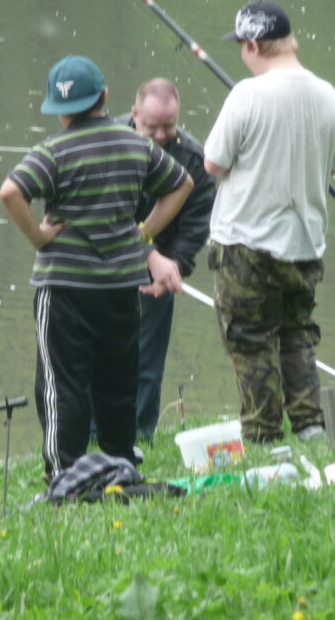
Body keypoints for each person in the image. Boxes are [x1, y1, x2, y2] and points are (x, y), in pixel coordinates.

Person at [0, 55, 193, 480]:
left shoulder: (53, 151)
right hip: (121, 286)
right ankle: (120, 461)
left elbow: (11, 192)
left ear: (58, 110)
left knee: (61, 384)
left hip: (64, 288)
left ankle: (64, 472)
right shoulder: (137, 145)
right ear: (105, 97)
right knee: (117, 379)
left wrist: (38, 237)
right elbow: (182, 184)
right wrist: (145, 232)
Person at [203, 1, 335, 444]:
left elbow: (213, 163)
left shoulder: (247, 94)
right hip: (305, 245)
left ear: (253, 45)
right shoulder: (329, 94)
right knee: (297, 335)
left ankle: (263, 436)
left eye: (241, 47)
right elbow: (333, 167)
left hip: (246, 245)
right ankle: (310, 427)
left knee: (251, 341)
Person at [117, 78, 216, 442]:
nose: (159, 136)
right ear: (133, 114)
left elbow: (196, 224)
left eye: (168, 127)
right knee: (96, 353)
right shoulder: (107, 143)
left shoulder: (194, 160)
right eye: (151, 127)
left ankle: (140, 433)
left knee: (146, 358)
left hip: (157, 274)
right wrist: (147, 253)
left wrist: (174, 266)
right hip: (101, 261)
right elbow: (101, 209)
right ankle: (91, 433)